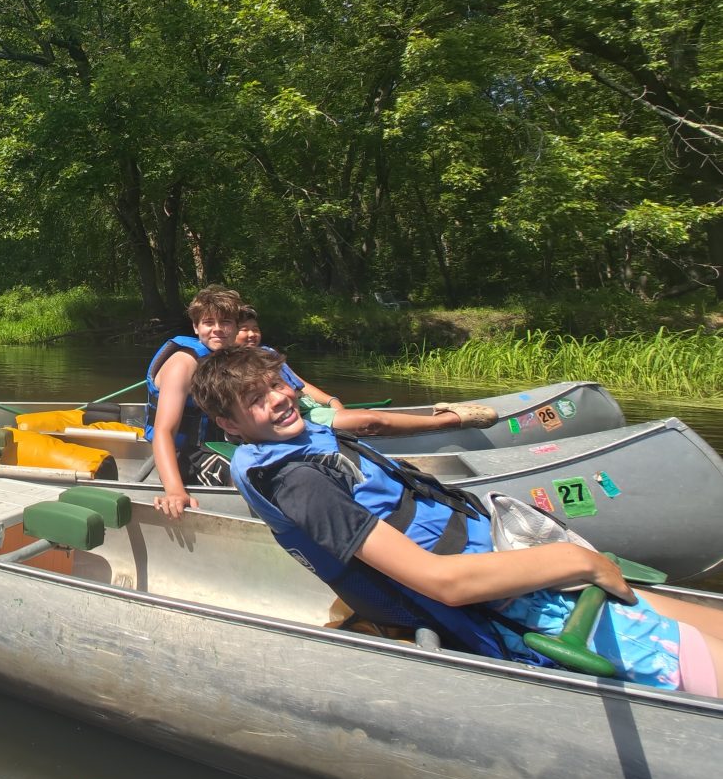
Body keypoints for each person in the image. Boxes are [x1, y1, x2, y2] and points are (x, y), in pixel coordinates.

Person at [189, 344, 723, 695]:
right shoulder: (297, 482)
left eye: (277, 385)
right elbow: (440, 583)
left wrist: (446, 417)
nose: (280, 399)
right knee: (694, 654)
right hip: (501, 603)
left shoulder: (300, 433)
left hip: (504, 561)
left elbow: (367, 423)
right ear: (227, 423)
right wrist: (574, 559)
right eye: (256, 400)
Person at [234, 305, 497, 436]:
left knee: (359, 414)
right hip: (301, 416)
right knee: (372, 420)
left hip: (311, 408)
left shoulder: (267, 352)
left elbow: (301, 384)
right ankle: (446, 421)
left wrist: (333, 400)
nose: (251, 334)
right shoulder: (233, 364)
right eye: (243, 329)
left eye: (254, 328)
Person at [143, 285, 243, 520]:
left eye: (226, 322)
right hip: (184, 453)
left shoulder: (228, 358)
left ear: (236, 327)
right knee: (246, 473)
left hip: (221, 444)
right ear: (196, 327)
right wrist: (175, 491)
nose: (218, 329)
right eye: (209, 323)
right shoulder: (183, 365)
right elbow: (164, 431)